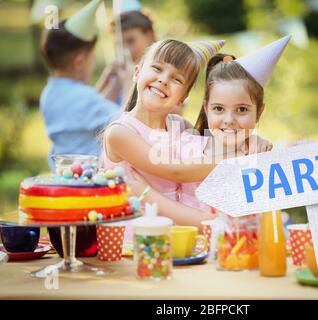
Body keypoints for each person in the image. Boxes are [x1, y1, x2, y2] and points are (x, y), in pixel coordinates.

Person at [102, 39, 226, 230]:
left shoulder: (180, 127)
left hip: (176, 235)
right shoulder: (120, 133)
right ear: (137, 72)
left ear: (183, 96)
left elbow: (212, 151)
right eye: (157, 68)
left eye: (177, 79)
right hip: (133, 239)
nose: (164, 80)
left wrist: (250, 146)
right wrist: (235, 158)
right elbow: (177, 170)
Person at [179, 35, 291, 211]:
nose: (229, 120)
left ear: (259, 111)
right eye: (218, 109)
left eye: (241, 110)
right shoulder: (186, 147)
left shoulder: (260, 154)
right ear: (206, 108)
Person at [39, 0, 125, 170]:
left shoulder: (50, 93)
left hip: (64, 176)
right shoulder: (84, 98)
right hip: (88, 182)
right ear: (79, 61)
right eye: (91, 57)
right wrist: (129, 82)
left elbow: (88, 113)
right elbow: (125, 122)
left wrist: (110, 83)